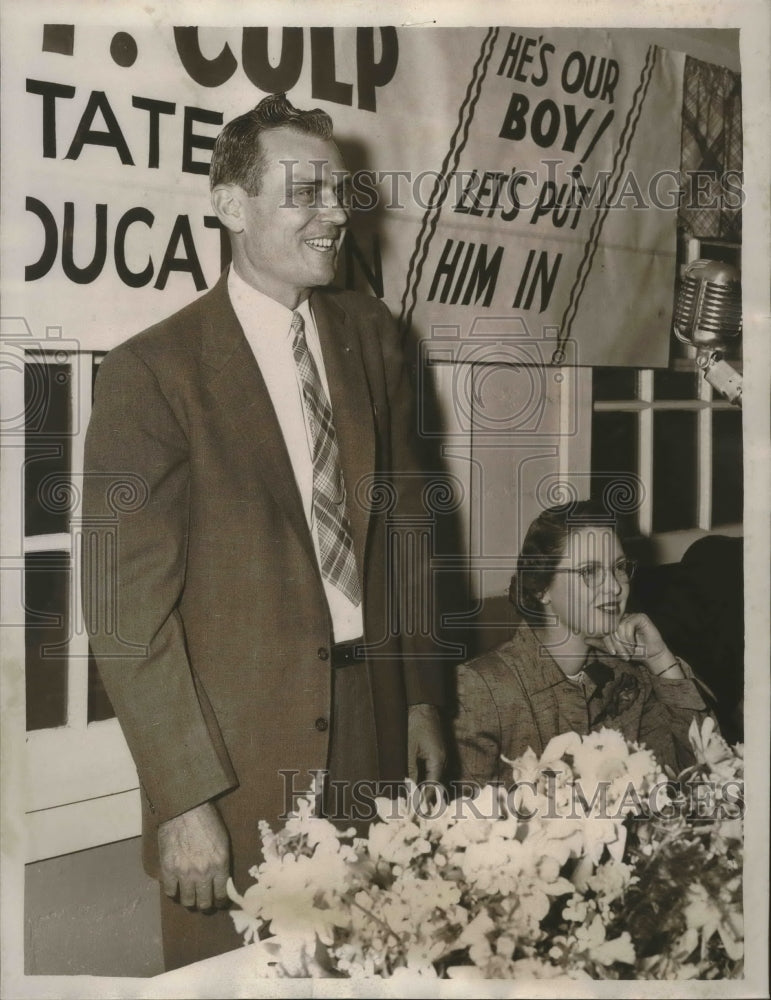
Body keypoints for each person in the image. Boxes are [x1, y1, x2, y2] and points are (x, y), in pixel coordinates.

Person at [83, 94, 445, 970]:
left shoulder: (375, 337)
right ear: (230, 205)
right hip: (236, 761)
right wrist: (182, 799)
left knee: (382, 967)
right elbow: (127, 618)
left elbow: (408, 533)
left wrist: (425, 696)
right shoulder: (152, 375)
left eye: (340, 192)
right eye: (305, 192)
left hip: (379, 725)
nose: (334, 215)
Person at [453, 501, 713, 786]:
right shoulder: (482, 688)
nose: (614, 587)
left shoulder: (630, 673)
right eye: (589, 571)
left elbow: (700, 778)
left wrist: (661, 660)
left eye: (619, 568)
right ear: (542, 588)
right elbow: (464, 818)